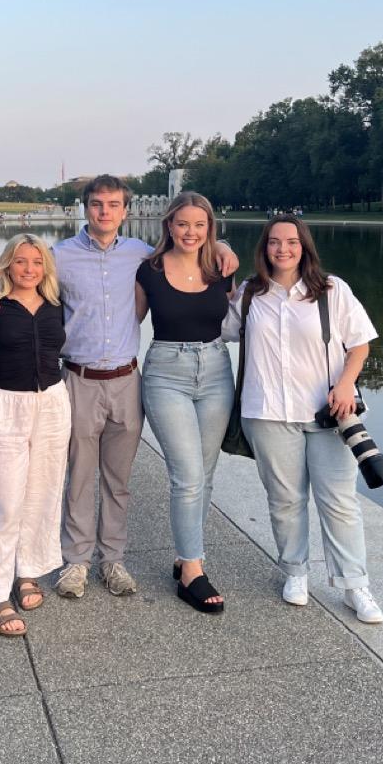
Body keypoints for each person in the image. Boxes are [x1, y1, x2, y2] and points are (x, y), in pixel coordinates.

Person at [0, 174, 238, 600]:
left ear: (125, 211)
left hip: (126, 379)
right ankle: (76, 561)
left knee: (118, 478)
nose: (105, 212)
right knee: (78, 475)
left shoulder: (141, 255)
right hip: (77, 378)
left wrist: (223, 246)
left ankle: (112, 559)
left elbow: (190, 250)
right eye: (97, 204)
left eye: (114, 205)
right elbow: (18, 275)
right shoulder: (58, 255)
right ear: (86, 208)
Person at [223, 214, 383, 624]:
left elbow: (360, 344)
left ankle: (354, 585)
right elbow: (219, 329)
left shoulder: (331, 290)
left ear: (304, 246)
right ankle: (295, 572)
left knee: (339, 501)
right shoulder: (250, 294)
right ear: (264, 249)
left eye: (291, 242)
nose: (283, 249)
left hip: (328, 413)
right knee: (284, 500)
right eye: (275, 242)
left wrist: (347, 384)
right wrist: (221, 253)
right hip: (268, 413)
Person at [0, 234, 70, 637]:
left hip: (53, 405)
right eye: (21, 262)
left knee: (42, 494)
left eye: (36, 262)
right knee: (6, 503)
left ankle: (28, 571)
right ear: (8, 265)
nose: (29, 269)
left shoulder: (58, 306)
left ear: (45, 268)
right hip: (8, 407)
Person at [135, 192, 234, 613]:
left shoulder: (222, 268)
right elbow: (126, 324)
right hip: (166, 372)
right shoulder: (149, 270)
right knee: (188, 474)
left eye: (200, 225)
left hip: (216, 371)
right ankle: (193, 570)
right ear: (169, 226)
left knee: (205, 474)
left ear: (210, 228)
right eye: (182, 224)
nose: (190, 232)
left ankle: (184, 555)